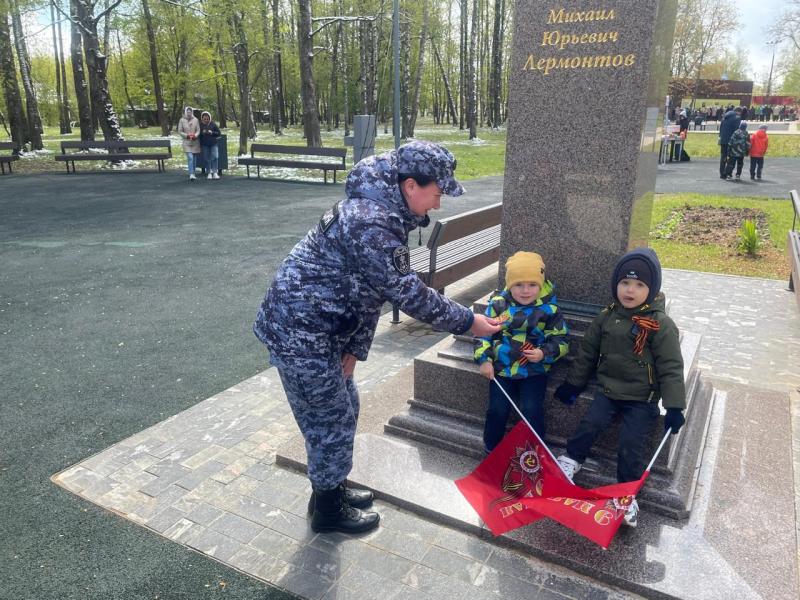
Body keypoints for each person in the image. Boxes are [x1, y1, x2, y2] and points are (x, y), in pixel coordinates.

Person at [253, 141, 502, 535]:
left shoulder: (385, 210)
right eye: (437, 194)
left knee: (345, 405)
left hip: (325, 326)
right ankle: (328, 512)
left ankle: (329, 490)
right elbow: (406, 292)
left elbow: (370, 290)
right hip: (301, 330)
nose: (437, 204)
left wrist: (353, 347)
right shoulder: (372, 220)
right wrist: (468, 322)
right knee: (329, 420)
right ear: (410, 186)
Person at [553, 248, 685, 528]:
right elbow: (588, 351)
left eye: (639, 285)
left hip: (642, 397)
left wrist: (674, 406)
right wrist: (573, 384)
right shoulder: (606, 316)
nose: (630, 290)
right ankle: (571, 460)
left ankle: (626, 493)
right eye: (625, 283)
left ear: (651, 290)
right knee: (591, 423)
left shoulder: (660, 324)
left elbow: (671, 366)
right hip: (609, 390)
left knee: (631, 443)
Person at [474, 251, 569, 452]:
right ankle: (491, 449)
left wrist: (544, 352)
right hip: (501, 368)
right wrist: (484, 359)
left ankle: (534, 450)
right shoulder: (499, 305)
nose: (526, 291)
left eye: (532, 285)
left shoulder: (550, 310)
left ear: (541, 284)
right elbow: (484, 334)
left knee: (531, 409)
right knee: (497, 410)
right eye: (519, 285)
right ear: (509, 285)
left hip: (533, 370)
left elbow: (561, 339)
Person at [718, 106, 742, 179]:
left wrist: (721, 136)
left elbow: (721, 128)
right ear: (739, 112)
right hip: (731, 140)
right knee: (732, 157)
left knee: (723, 157)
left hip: (723, 139)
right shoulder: (737, 118)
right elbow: (737, 130)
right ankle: (727, 172)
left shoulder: (724, 117)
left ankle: (722, 173)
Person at [177, 107, 200, 181]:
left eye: (190, 112)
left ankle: (193, 172)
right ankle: (191, 174)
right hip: (186, 142)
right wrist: (187, 135)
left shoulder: (196, 120)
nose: (189, 113)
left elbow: (198, 130)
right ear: (186, 112)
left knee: (194, 158)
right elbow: (180, 131)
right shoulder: (182, 120)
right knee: (190, 157)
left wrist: (195, 135)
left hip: (195, 141)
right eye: (188, 112)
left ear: (192, 112)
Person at [199, 111, 222, 180]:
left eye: (207, 119)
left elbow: (218, 133)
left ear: (210, 118)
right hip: (205, 144)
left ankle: (215, 172)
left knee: (215, 156)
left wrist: (212, 132)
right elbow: (198, 134)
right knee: (207, 158)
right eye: (204, 119)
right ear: (202, 119)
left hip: (213, 143)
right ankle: (209, 172)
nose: (206, 120)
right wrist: (202, 133)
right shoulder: (200, 125)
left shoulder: (213, 124)